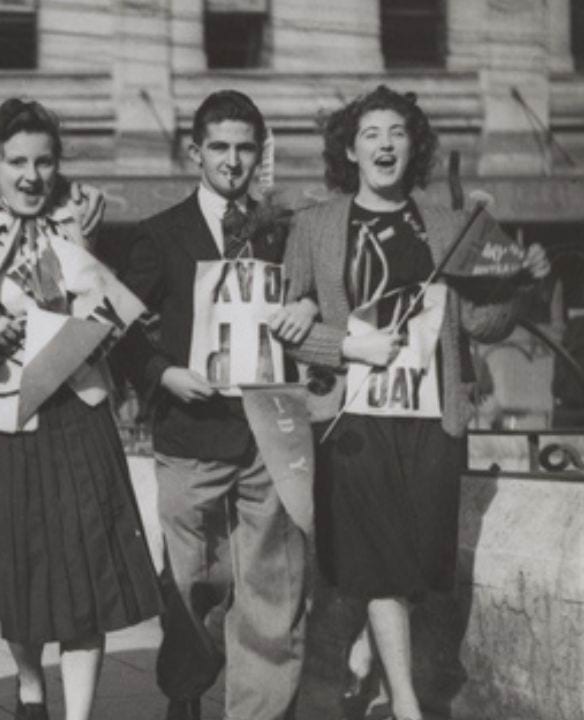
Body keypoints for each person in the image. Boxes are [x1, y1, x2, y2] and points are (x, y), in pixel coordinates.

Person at [282, 85, 550, 720]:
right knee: (378, 563)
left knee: (417, 565)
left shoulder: (450, 227)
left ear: (414, 146)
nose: (384, 145)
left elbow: (483, 326)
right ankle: (406, 703)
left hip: (432, 417)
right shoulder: (315, 226)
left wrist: (516, 285)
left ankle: (371, 664)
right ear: (350, 149)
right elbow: (289, 333)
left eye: (397, 133)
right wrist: (346, 345)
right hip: (354, 418)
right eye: (371, 133)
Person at [0, 98, 163, 720]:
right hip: (6, 421)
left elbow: (113, 318)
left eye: (43, 162)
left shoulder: (76, 225)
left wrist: (78, 261)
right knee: (22, 570)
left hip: (77, 413)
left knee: (86, 569)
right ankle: (30, 685)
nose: (31, 176)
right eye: (17, 162)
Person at [112, 90, 315, 720]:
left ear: (261, 154)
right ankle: (185, 687)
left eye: (246, 147)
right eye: (219, 147)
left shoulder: (286, 232)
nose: (233, 161)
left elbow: (316, 299)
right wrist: (163, 372)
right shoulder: (158, 235)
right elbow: (118, 331)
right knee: (192, 580)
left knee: (272, 583)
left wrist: (308, 306)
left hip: (268, 434)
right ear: (195, 152)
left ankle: (258, 709)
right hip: (188, 433)